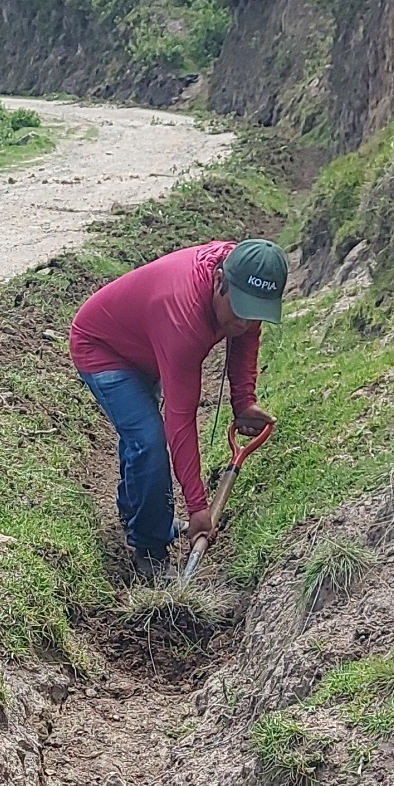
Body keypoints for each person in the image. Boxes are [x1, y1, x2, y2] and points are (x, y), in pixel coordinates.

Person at [68, 236, 285, 576]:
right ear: (219, 281)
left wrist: (244, 402)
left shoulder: (242, 273)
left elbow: (246, 339)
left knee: (142, 437)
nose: (245, 322)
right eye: (241, 310)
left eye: (256, 313)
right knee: (149, 440)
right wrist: (198, 507)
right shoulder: (183, 315)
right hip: (102, 347)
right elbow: (181, 419)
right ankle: (150, 547)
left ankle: (136, 515)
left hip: (147, 344)